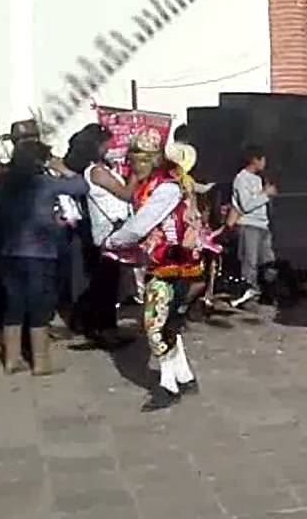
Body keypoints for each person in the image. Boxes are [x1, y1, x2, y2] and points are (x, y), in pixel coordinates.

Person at [105, 138, 209, 410]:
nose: (130, 166)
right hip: (183, 264)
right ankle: (183, 376)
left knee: (154, 323)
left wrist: (113, 241)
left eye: (134, 160)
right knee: (170, 320)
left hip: (168, 264)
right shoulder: (176, 182)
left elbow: (140, 227)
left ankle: (167, 385)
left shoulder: (164, 188)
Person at [0, 139, 87, 375]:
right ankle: (41, 363)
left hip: (9, 253)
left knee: (14, 305)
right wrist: (61, 168)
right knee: (39, 306)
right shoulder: (44, 183)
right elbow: (81, 186)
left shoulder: (5, 184)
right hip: (39, 253)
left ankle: (12, 359)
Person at [64, 124, 136, 349]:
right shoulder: (97, 172)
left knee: (106, 283)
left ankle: (100, 326)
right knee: (106, 285)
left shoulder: (100, 169)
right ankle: (103, 330)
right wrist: (137, 173)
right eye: (106, 142)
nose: (110, 146)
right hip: (108, 232)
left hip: (109, 230)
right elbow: (126, 194)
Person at [231, 145, 276, 307]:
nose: (264, 163)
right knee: (249, 262)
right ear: (255, 160)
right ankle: (247, 296)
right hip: (248, 225)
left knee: (268, 261)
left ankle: (267, 293)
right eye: (262, 159)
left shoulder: (258, 179)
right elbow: (246, 205)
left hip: (262, 225)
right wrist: (265, 194)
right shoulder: (241, 179)